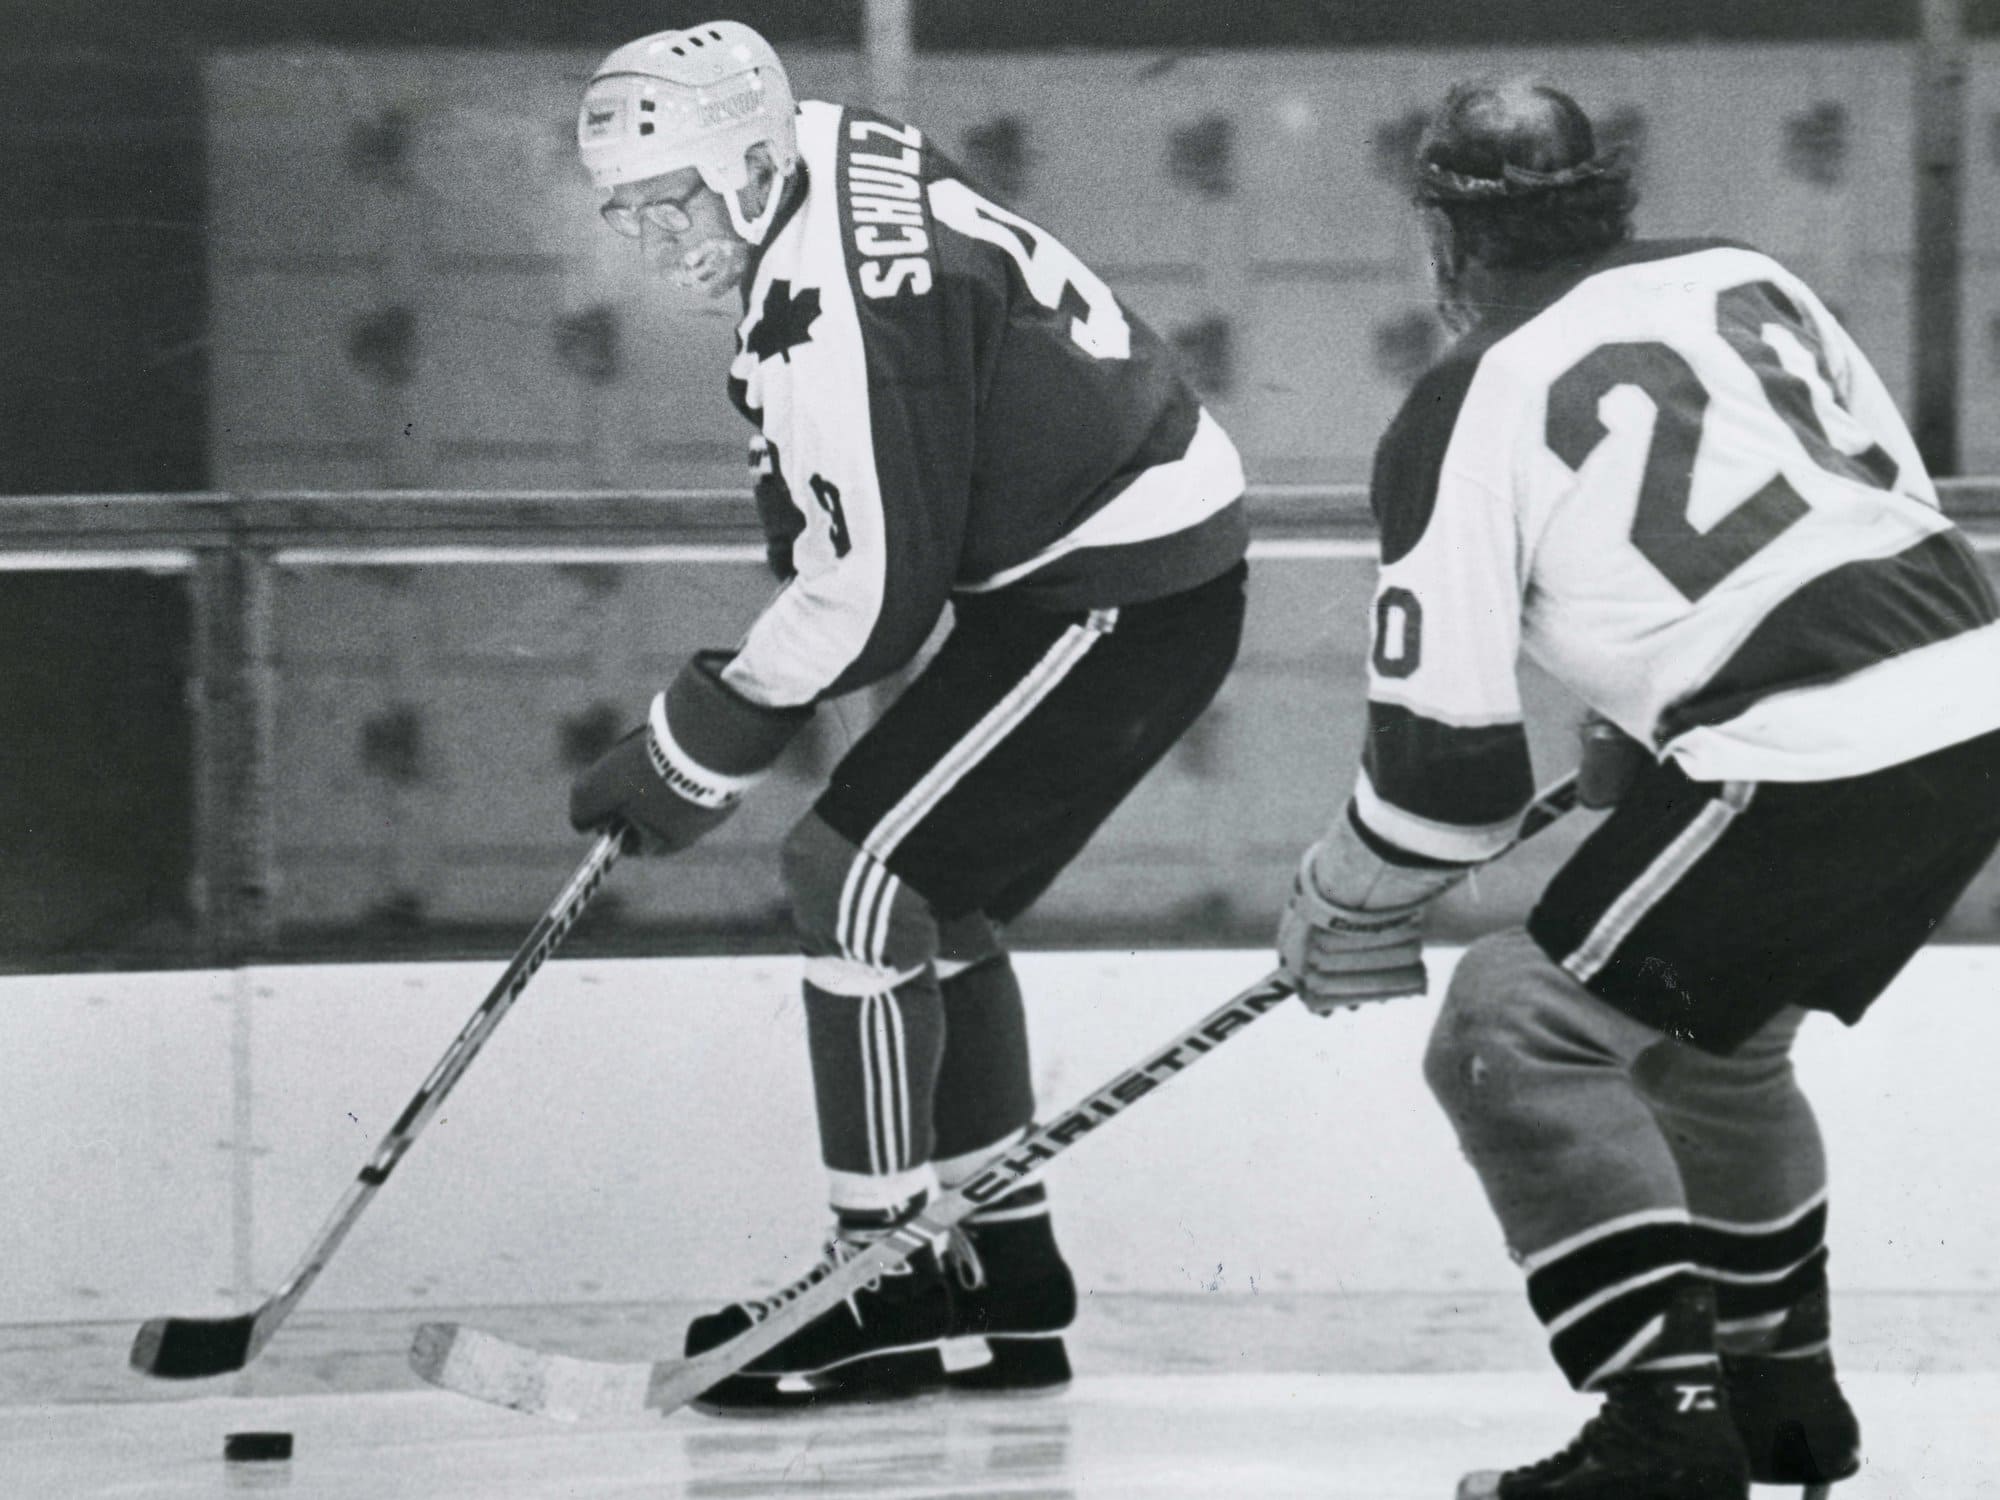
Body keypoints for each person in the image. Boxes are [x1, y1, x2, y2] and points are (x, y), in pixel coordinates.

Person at [1277, 77, 2000, 1500]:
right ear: (1607, 196)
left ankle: (1667, 1434)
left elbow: (1441, 784)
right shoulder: (1749, 277)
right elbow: (1874, 514)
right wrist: (1644, 737)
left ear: (1447, 240)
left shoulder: (1457, 405)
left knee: (1511, 1033)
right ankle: (1780, 1400)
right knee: (1710, 1046)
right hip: (1973, 699)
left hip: (1801, 751)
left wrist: (1341, 898)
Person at [566, 21, 1250, 1413]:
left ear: (749, 165)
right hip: (1107, 560)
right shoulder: (825, 144)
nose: (654, 246)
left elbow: (870, 599)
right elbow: (858, 476)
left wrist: (692, 750)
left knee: (852, 873)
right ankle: (1004, 1268)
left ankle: (876, 1279)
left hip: (1111, 590)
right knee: (933, 897)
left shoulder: (839, 298)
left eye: (670, 204)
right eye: (629, 217)